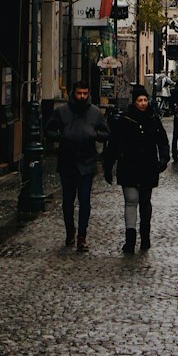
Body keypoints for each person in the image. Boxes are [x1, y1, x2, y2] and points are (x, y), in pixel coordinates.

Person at [103, 84, 170, 253]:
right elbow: (114, 144)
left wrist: (163, 159)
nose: (143, 103)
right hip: (129, 166)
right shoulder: (125, 120)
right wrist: (109, 165)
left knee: (145, 203)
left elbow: (162, 141)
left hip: (148, 166)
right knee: (131, 200)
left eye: (145, 100)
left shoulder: (153, 119)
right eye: (140, 100)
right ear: (134, 102)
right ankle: (130, 239)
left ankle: (145, 236)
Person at [45, 83, 109, 251]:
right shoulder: (62, 111)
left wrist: (94, 134)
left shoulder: (94, 112)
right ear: (74, 93)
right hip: (67, 161)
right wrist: (61, 136)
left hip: (87, 162)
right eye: (79, 93)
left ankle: (82, 235)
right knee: (67, 201)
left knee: (85, 201)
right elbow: (49, 130)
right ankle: (70, 232)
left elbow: (105, 133)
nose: (82, 96)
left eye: (85, 93)